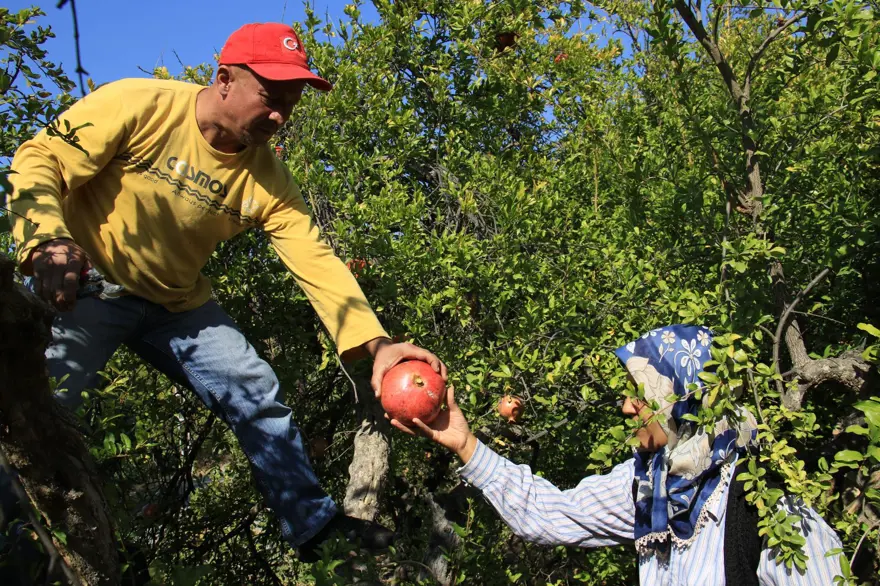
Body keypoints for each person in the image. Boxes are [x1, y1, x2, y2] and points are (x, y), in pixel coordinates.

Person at [7, 22, 447, 561]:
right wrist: (45, 240)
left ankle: (313, 527)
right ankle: (17, 533)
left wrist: (376, 345)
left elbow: (316, 260)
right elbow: (41, 157)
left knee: (253, 387)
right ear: (222, 80)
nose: (281, 116)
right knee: (38, 403)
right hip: (89, 287)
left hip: (176, 305)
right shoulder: (140, 104)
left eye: (290, 104)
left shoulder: (268, 180)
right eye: (270, 98)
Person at [392, 325, 844, 584]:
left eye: (641, 394)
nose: (627, 407)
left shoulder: (769, 511)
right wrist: (466, 445)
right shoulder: (650, 488)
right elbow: (551, 514)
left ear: (683, 402)